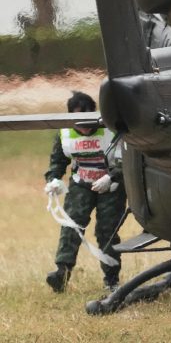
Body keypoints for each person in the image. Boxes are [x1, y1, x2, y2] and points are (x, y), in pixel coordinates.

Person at [43, 92, 125, 293]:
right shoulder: (64, 134)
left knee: (107, 231)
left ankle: (112, 279)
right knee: (71, 226)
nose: (85, 127)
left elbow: (126, 161)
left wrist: (111, 177)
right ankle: (61, 272)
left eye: (88, 120)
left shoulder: (112, 130)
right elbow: (58, 162)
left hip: (111, 186)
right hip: (81, 184)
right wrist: (53, 180)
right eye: (79, 121)